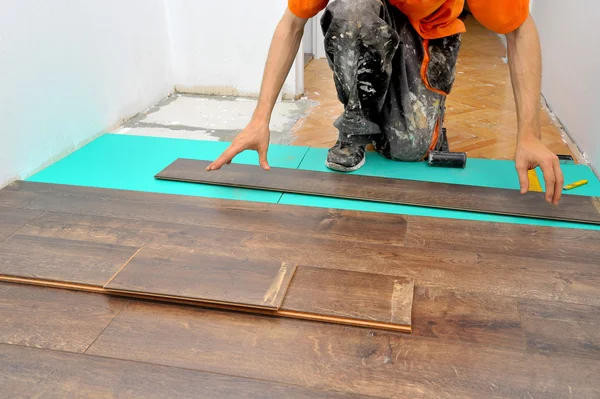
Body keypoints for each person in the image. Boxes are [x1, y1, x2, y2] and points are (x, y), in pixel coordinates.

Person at [207, 0, 564, 205]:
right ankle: (356, 121)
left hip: (428, 35)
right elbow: (291, 24)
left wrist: (529, 134)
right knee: (351, 9)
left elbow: (519, 30)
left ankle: (425, 124)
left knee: (407, 149)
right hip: (372, 20)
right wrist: (260, 119)